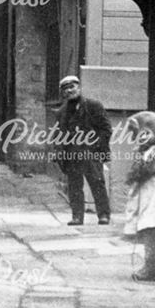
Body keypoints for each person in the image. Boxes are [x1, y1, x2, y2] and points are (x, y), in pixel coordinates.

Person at [55, 75, 111, 225]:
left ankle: (103, 215)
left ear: (79, 87)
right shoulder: (61, 112)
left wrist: (98, 147)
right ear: (63, 93)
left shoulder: (93, 106)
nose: (69, 91)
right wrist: (59, 154)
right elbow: (58, 135)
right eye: (65, 89)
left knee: (97, 183)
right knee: (74, 186)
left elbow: (106, 129)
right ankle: (77, 216)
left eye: (72, 87)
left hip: (91, 153)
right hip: (72, 155)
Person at [123, 112, 155, 282]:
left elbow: (146, 170)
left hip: (154, 197)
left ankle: (150, 267)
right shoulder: (149, 150)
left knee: (151, 231)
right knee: (147, 229)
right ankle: (149, 267)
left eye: (145, 134)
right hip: (148, 196)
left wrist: (136, 167)